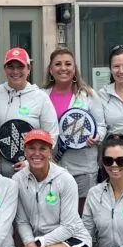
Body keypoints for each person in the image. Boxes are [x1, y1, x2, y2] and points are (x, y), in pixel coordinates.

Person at [44, 47, 103, 208]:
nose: (63, 68)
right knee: (54, 212)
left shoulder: (88, 94)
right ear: (50, 69)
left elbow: (102, 126)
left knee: (82, 215)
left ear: (74, 68)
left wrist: (96, 138)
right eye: (58, 64)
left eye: (68, 64)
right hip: (51, 166)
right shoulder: (42, 95)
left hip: (83, 168)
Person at [0, 46, 58, 177]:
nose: (15, 71)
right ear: (5, 69)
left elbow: (52, 135)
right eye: (11, 67)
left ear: (29, 69)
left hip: (30, 173)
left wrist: (30, 162)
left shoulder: (40, 97)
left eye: (20, 67)